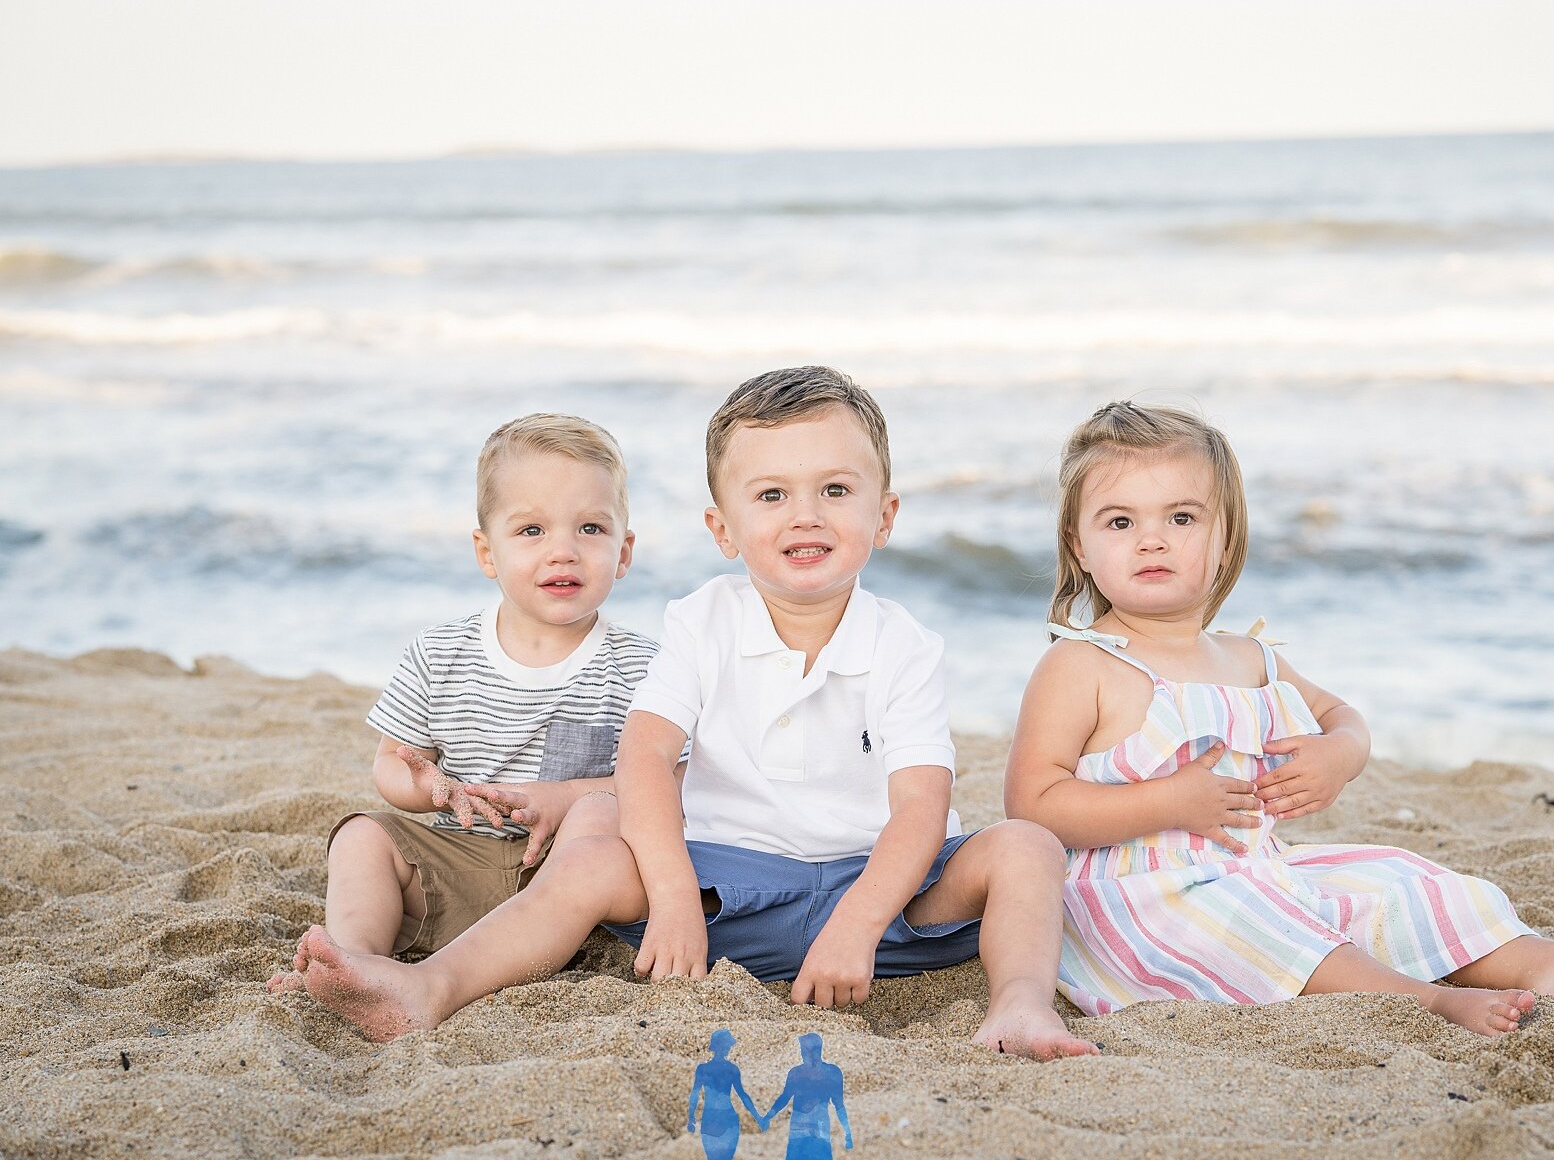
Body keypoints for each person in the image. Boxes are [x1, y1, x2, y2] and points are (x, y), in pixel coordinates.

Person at [288, 367, 1095, 1061]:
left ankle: (1019, 1003)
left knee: (1024, 845)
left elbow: (919, 807)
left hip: (883, 897)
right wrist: (673, 899)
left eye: (836, 490)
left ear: (883, 517)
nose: (805, 514)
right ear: (723, 528)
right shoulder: (702, 621)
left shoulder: (904, 644)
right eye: (772, 494)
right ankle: (430, 987)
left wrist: (857, 923)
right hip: (724, 898)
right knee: (600, 839)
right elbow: (645, 761)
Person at [1004, 400, 1554, 1036]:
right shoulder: (1083, 666)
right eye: (1121, 522)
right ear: (1081, 544)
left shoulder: (1250, 659)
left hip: (1262, 868)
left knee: (1398, 878)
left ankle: (1540, 961)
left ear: (1223, 537)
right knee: (1257, 924)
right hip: (1142, 899)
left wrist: (1341, 755)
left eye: (1181, 519)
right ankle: (1430, 1000)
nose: (1152, 541)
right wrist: (1166, 802)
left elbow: (1343, 717)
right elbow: (1033, 803)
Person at [272, 413, 655, 1007]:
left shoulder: (643, 665)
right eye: (531, 531)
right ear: (487, 552)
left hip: (570, 877)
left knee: (603, 810)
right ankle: (358, 962)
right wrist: (434, 790)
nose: (563, 551)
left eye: (590, 528)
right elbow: (393, 767)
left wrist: (568, 798)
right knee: (361, 837)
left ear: (623, 551)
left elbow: (671, 781)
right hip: (461, 856)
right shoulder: (441, 652)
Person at [686, 1029, 765, 1160]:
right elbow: (743, 1096)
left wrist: (691, 1118)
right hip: (725, 1118)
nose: (729, 1048)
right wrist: (758, 1117)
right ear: (725, 1046)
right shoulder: (730, 1069)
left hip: (713, 1119)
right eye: (728, 1045)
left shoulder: (705, 1069)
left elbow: (695, 1095)